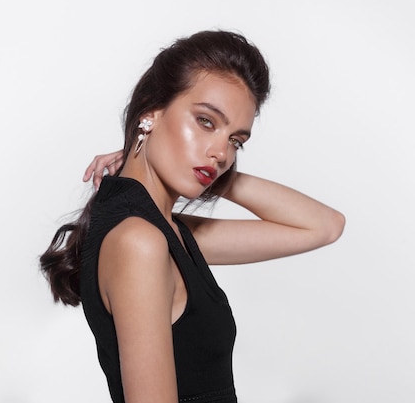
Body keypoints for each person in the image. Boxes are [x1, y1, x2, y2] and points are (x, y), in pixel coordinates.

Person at [40, 30, 345, 403]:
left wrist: (216, 175)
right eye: (205, 121)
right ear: (150, 111)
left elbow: (325, 226)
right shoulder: (140, 242)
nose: (221, 152)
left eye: (236, 141)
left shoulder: (165, 231)